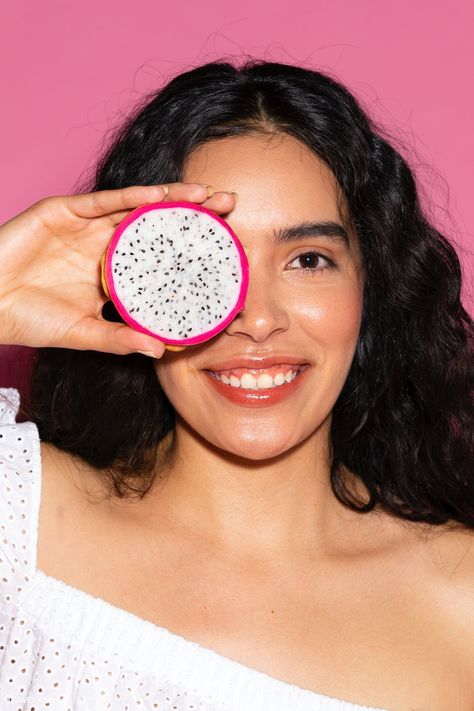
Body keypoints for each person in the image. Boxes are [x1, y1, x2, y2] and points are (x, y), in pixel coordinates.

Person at [0, 59, 472, 711]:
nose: (256, 320)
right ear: (133, 289)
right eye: (200, 262)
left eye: (308, 260)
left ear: (372, 287)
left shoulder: (462, 603)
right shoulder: (17, 520)